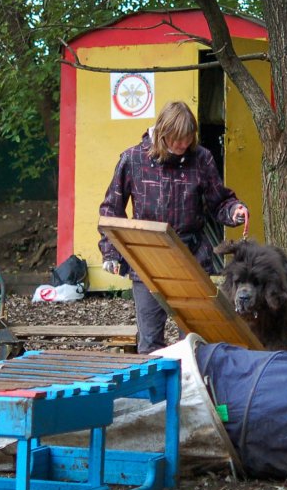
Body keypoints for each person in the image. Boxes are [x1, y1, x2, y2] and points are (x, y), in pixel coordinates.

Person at [98, 100, 249, 354]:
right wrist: (111, 253)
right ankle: (156, 392)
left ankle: (193, 390)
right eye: (177, 139)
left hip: (190, 257)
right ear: (162, 133)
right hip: (147, 258)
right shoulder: (133, 159)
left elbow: (219, 201)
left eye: (188, 139)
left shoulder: (201, 159)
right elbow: (110, 210)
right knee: (150, 341)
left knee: (193, 340)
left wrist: (234, 210)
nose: (182, 145)